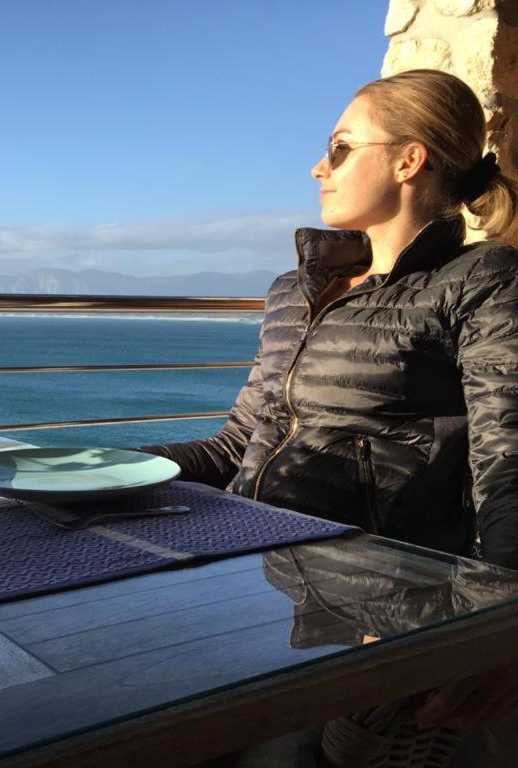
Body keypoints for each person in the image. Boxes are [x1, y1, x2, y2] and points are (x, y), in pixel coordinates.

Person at [140, 69, 518, 764]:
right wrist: (107, 466)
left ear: (409, 160)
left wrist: (499, 630)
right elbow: (236, 445)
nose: (320, 166)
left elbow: (507, 464)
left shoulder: (481, 280)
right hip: (243, 585)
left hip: (380, 619)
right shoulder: (293, 290)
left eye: (341, 147)